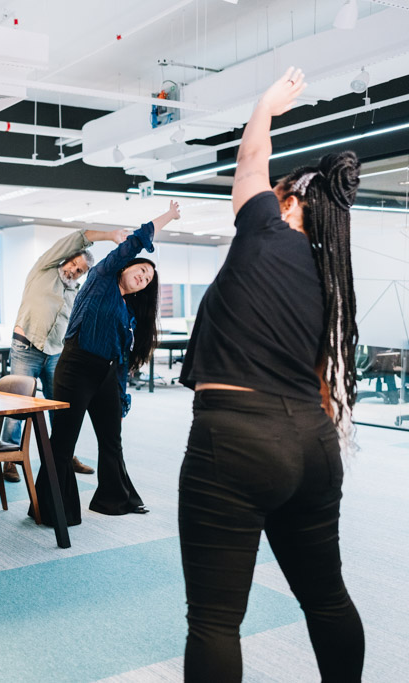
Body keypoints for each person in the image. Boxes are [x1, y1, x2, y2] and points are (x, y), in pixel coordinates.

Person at [177, 68, 364, 681]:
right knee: (326, 598)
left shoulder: (263, 230)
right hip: (312, 444)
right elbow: (321, 377)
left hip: (234, 437)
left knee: (214, 620)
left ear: (289, 202)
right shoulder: (332, 282)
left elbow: (252, 159)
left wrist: (265, 106)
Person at [32, 201, 181, 527]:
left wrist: (122, 395)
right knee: (63, 441)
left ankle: (112, 499)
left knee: (112, 439)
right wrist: (168, 216)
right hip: (76, 367)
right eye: (142, 270)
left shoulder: (128, 311)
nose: (144, 276)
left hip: (107, 374)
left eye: (148, 279)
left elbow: (123, 357)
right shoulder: (101, 277)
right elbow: (137, 239)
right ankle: (51, 508)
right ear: (126, 267)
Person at [0, 227, 127, 483]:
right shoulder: (43, 270)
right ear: (66, 258)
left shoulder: (76, 292)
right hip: (26, 348)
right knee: (18, 405)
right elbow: (77, 238)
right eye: (73, 264)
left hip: (56, 353)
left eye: (80, 270)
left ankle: (63, 455)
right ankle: (9, 458)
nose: (73, 271)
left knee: (61, 408)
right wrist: (110, 235)